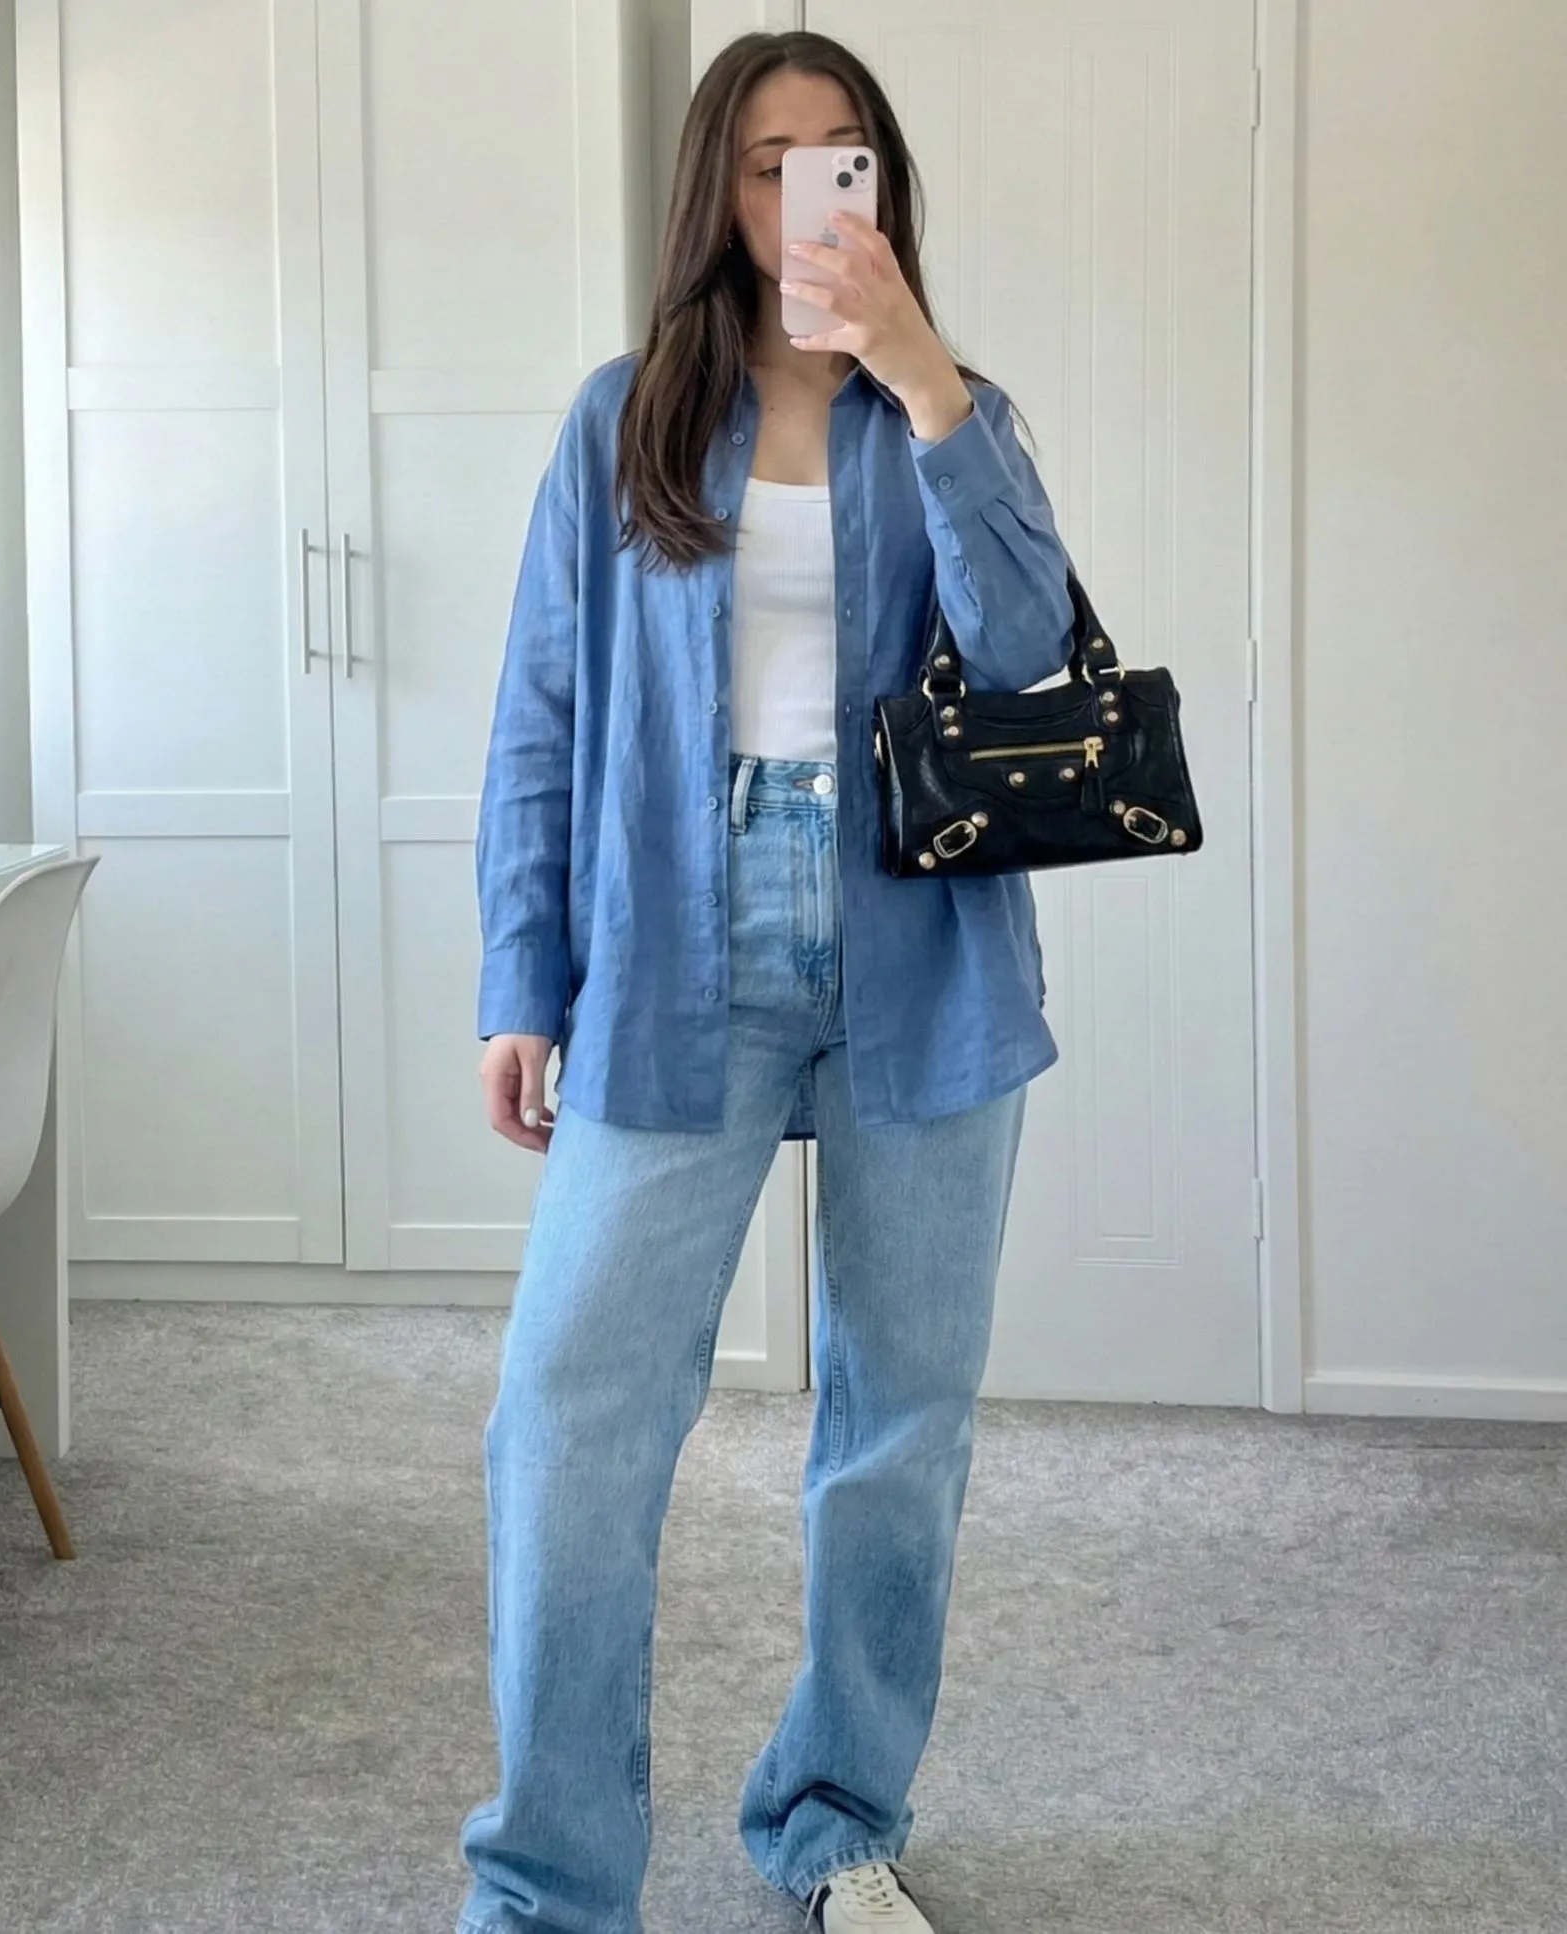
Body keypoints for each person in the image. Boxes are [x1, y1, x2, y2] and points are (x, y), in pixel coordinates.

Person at [457, 28, 1075, 1934]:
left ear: (881, 183)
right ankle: (550, 1882)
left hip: (923, 952)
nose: (807, 189)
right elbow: (542, 713)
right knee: (569, 1414)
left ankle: (834, 1820)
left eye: (841, 153)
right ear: (716, 196)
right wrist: (520, 976)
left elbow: (1030, 651)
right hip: (677, 945)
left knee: (898, 1424)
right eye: (767, 159)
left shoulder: (952, 408)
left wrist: (921, 371)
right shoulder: (624, 416)